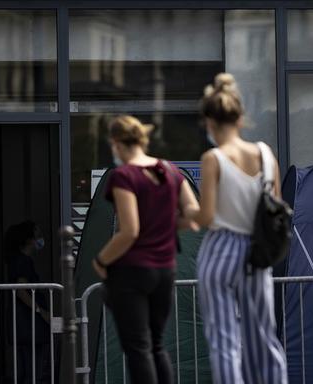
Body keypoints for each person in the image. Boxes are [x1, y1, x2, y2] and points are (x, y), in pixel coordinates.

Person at [193, 73, 287, 384]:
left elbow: (206, 217)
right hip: (256, 252)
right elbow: (277, 207)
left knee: (224, 341)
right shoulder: (265, 153)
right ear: (240, 117)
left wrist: (185, 211)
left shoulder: (214, 158)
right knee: (264, 336)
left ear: (210, 122)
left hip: (220, 249)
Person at [91, 115, 199, 384]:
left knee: (138, 348)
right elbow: (194, 215)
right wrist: (168, 226)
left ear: (116, 144)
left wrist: (102, 260)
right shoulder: (170, 171)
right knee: (157, 345)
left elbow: (130, 231)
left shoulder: (124, 176)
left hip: (133, 272)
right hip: (165, 269)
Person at [4, 221, 52, 383]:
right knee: (32, 372)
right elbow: (21, 290)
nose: (41, 239)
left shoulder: (20, 261)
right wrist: (40, 311)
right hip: (29, 325)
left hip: (24, 325)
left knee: (28, 370)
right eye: (38, 236)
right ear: (29, 240)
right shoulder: (22, 262)